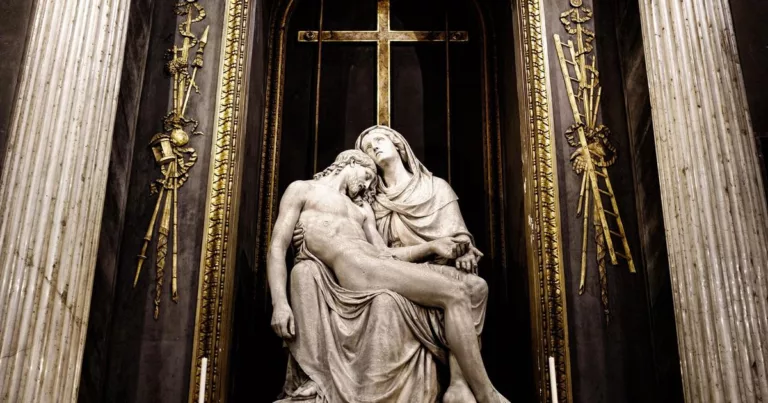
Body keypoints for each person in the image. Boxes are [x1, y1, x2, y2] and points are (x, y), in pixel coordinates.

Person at [269, 150, 508, 403]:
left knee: (470, 286)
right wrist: (279, 303)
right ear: (351, 161)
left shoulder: (361, 210)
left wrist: (432, 247)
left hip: (376, 264)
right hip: (355, 268)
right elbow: (277, 246)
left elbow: (386, 254)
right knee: (455, 294)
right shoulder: (303, 190)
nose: (367, 186)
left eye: (371, 182)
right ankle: (486, 395)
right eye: (368, 176)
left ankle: (460, 387)